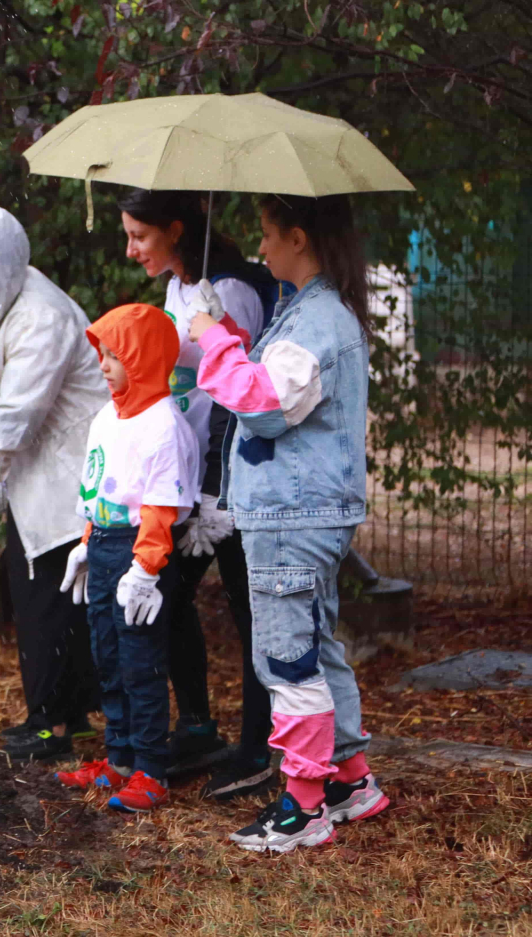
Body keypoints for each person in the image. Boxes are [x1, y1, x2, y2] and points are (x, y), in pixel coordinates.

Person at [186, 194, 391, 852]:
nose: (262, 250)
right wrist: (229, 337)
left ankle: (303, 806)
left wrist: (213, 341)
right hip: (304, 513)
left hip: (290, 518)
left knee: (287, 656)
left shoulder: (316, 322)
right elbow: (275, 385)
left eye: (269, 237)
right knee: (315, 643)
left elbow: (266, 406)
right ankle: (349, 780)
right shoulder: (314, 314)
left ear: (298, 238)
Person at [0, 206, 109, 762]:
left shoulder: (42, 317)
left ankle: (51, 725)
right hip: (28, 468)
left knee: (47, 597)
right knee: (39, 590)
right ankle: (68, 716)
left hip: (67, 470)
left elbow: (12, 417)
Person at [120, 189, 279, 801]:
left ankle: (258, 749)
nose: (132, 248)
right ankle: (199, 727)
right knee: (167, 596)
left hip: (234, 481)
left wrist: (214, 483)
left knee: (249, 611)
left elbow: (241, 391)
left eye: (141, 236)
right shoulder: (179, 287)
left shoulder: (229, 290)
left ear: (176, 229)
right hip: (188, 480)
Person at [56, 303, 199, 813]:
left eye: (114, 355)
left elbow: (161, 505)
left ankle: (150, 769)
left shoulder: (164, 425)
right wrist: (85, 544)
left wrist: (145, 570)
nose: (103, 364)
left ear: (142, 358)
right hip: (105, 548)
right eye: (103, 353)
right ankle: (117, 759)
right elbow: (98, 486)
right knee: (108, 655)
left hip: (142, 555)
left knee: (141, 660)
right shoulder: (107, 416)